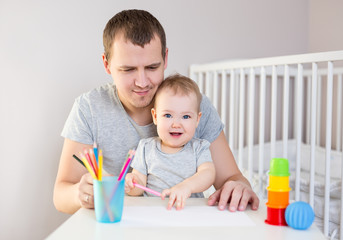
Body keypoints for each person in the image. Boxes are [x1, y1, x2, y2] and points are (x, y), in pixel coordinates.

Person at [53, 9, 259, 214]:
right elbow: (61, 194)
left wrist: (239, 187)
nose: (142, 82)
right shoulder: (89, 107)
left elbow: (232, 178)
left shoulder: (194, 105)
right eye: (128, 70)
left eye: (152, 67)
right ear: (107, 64)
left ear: (165, 57)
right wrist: (80, 194)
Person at [125, 74, 216, 210]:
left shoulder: (199, 148)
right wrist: (131, 184)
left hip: (188, 211)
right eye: (168, 115)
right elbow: (139, 185)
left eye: (185, 116)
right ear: (155, 116)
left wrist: (186, 187)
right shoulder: (146, 147)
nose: (176, 124)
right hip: (154, 212)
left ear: (197, 119)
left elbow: (208, 174)